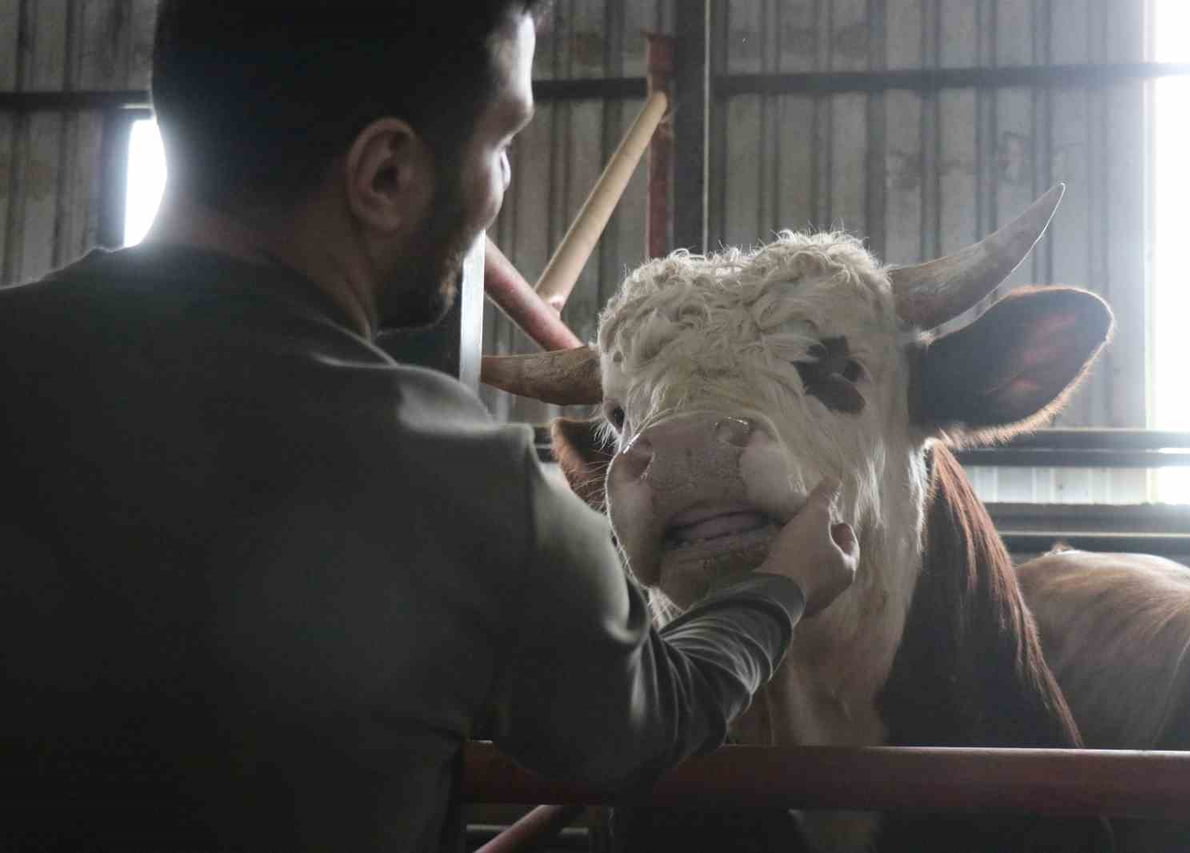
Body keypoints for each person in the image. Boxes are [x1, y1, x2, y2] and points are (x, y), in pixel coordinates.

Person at [0, 2, 857, 851]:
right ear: (386, 176)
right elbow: (651, 717)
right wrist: (782, 584)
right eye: (503, 142)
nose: (502, 182)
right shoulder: (471, 491)